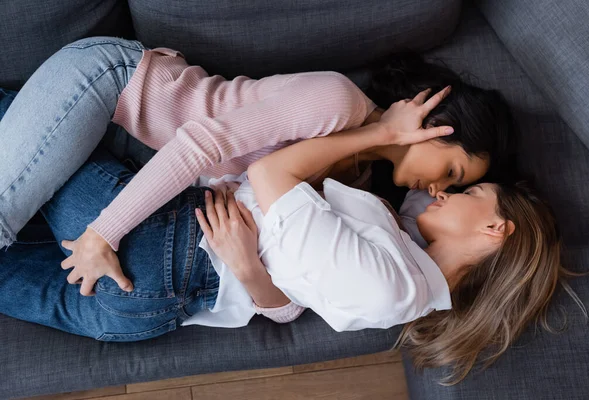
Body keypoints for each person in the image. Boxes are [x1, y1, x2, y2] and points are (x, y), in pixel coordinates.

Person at [0, 87, 580, 388]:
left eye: (468, 192)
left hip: (167, 251)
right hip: (152, 304)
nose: (444, 193)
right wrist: (251, 270)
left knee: (21, 127)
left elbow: (268, 174)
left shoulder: (390, 287)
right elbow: (288, 306)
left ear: (494, 228)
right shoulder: (403, 264)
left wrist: (378, 129)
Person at [0, 37, 513, 298]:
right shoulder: (337, 98)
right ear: (434, 120)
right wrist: (101, 235)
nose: (436, 188)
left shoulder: (352, 182)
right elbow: (201, 144)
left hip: (132, 158)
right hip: (119, 90)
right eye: (450, 170)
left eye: (453, 188)